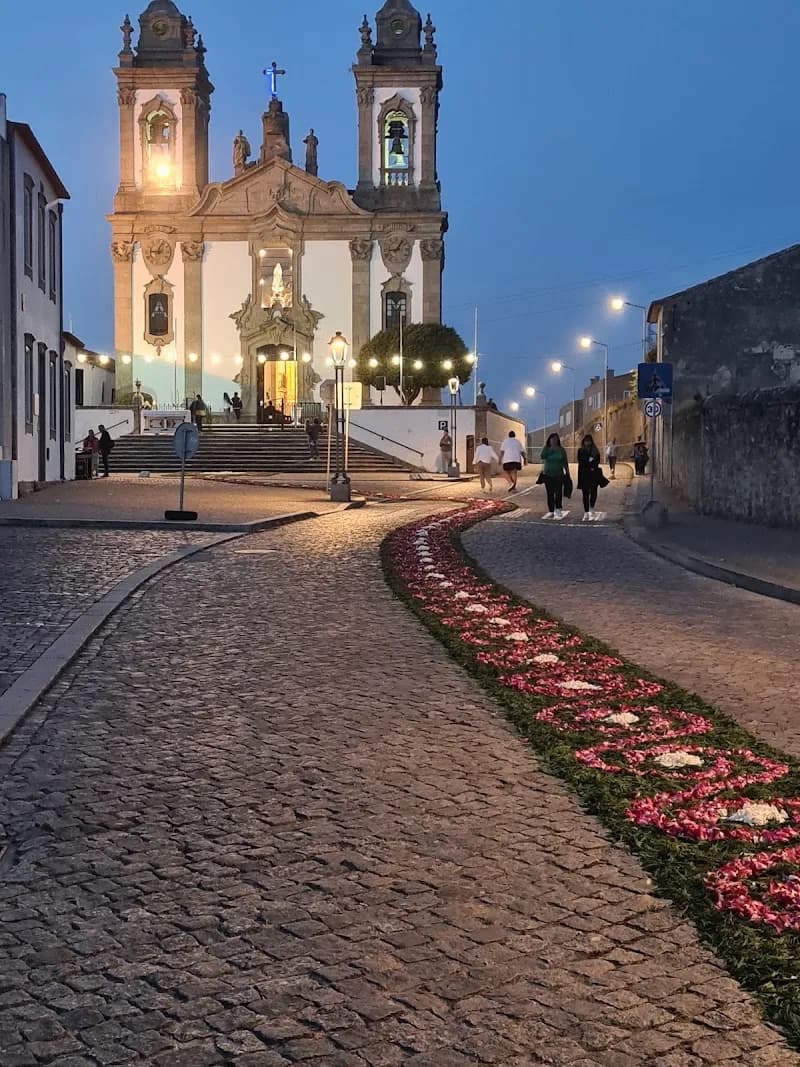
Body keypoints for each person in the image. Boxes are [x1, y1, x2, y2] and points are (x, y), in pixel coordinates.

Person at [540, 432, 569, 519]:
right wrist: (550, 450)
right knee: (550, 493)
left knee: (558, 492)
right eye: (552, 439)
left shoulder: (561, 450)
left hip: (559, 474)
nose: (554, 440)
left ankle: (558, 509)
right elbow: (542, 456)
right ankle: (551, 510)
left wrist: (567, 472)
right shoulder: (546, 448)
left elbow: (565, 462)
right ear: (549, 440)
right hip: (548, 474)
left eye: (556, 439)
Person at [577, 434, 604, 521]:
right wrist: (590, 462)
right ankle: (586, 511)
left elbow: (597, 461)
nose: (587, 443)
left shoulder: (595, 450)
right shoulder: (581, 451)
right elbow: (581, 461)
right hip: (584, 474)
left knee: (593, 492)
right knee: (585, 494)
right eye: (586, 441)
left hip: (593, 474)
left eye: (589, 441)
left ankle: (592, 506)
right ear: (583, 442)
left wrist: (591, 463)